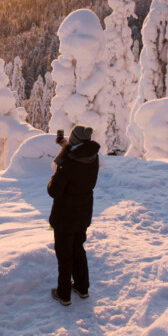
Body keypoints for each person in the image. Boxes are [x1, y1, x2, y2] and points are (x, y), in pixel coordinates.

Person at [47, 124, 100, 306]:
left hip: (65, 216)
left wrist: (56, 173)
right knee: (78, 248)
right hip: (83, 213)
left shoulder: (68, 164)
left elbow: (53, 191)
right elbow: (78, 155)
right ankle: (82, 287)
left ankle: (64, 294)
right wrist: (66, 147)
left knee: (64, 254)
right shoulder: (92, 156)